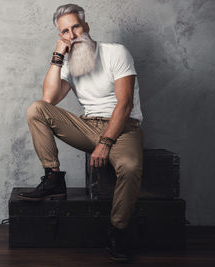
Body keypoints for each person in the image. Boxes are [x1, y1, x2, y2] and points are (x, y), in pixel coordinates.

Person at [17, 3, 143, 263]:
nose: (72, 35)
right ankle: (53, 177)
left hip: (122, 127)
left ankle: (117, 230)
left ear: (86, 26)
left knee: (130, 167)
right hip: (88, 126)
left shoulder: (115, 52)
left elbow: (126, 103)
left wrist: (106, 142)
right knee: (36, 110)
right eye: (65, 31)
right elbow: (48, 99)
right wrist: (57, 54)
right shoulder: (69, 62)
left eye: (75, 27)